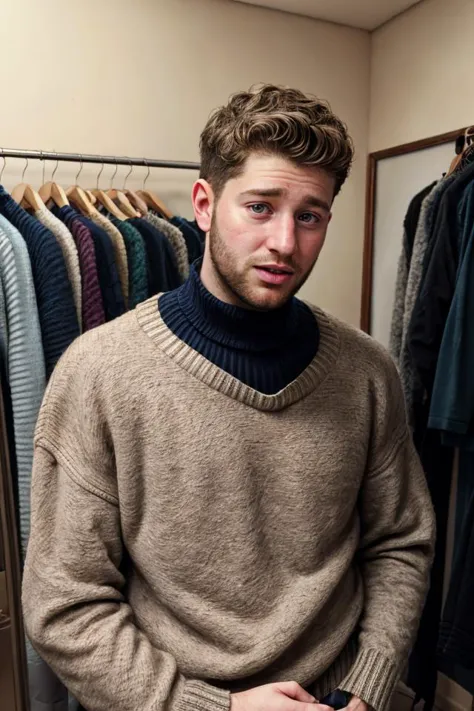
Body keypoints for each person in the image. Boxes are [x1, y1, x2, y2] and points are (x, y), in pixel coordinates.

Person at [22, 84, 435, 711]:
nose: (285, 243)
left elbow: (400, 544)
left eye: (310, 215)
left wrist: (366, 689)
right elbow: (65, 604)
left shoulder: (368, 373)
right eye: (260, 207)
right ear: (205, 205)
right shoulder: (99, 374)